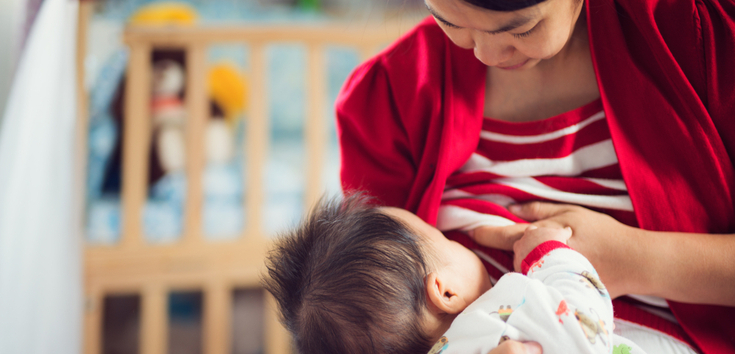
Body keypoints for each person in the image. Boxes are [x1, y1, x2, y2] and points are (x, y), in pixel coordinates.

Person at [335, 0, 735, 352]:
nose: (486, 53)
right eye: (450, 21)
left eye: (520, 27)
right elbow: (370, 320)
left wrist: (640, 260)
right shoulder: (384, 99)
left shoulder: (704, 34)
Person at [263, 195, 646, 354]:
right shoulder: (504, 312)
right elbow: (587, 322)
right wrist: (549, 253)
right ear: (445, 292)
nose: (457, 239)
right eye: (444, 239)